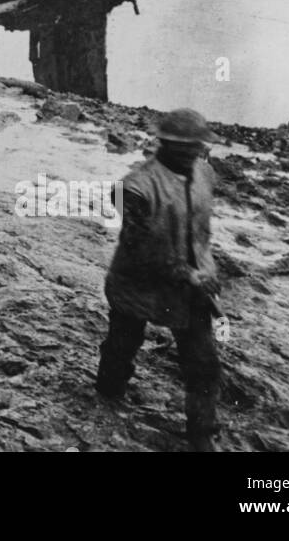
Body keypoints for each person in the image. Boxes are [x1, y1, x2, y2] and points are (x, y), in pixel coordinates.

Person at [96, 108, 223, 452]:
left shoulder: (204, 174)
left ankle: (202, 435)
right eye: (186, 147)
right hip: (137, 285)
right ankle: (109, 388)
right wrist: (189, 274)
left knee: (203, 363)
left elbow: (201, 232)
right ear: (164, 144)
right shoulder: (133, 189)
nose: (194, 154)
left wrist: (207, 270)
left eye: (197, 147)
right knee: (122, 347)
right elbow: (140, 249)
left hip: (191, 288)